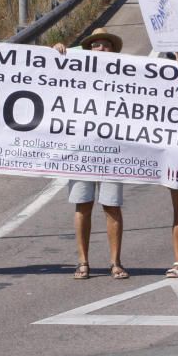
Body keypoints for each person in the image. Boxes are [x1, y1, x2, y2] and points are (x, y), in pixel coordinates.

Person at [53, 27, 128, 280]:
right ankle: (83, 261)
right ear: (88, 50)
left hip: (112, 150)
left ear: (113, 50)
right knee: (82, 205)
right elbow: (46, 73)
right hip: (82, 149)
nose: (101, 49)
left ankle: (115, 262)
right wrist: (56, 52)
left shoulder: (127, 75)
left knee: (112, 206)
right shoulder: (76, 71)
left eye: (106, 44)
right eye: (96, 45)